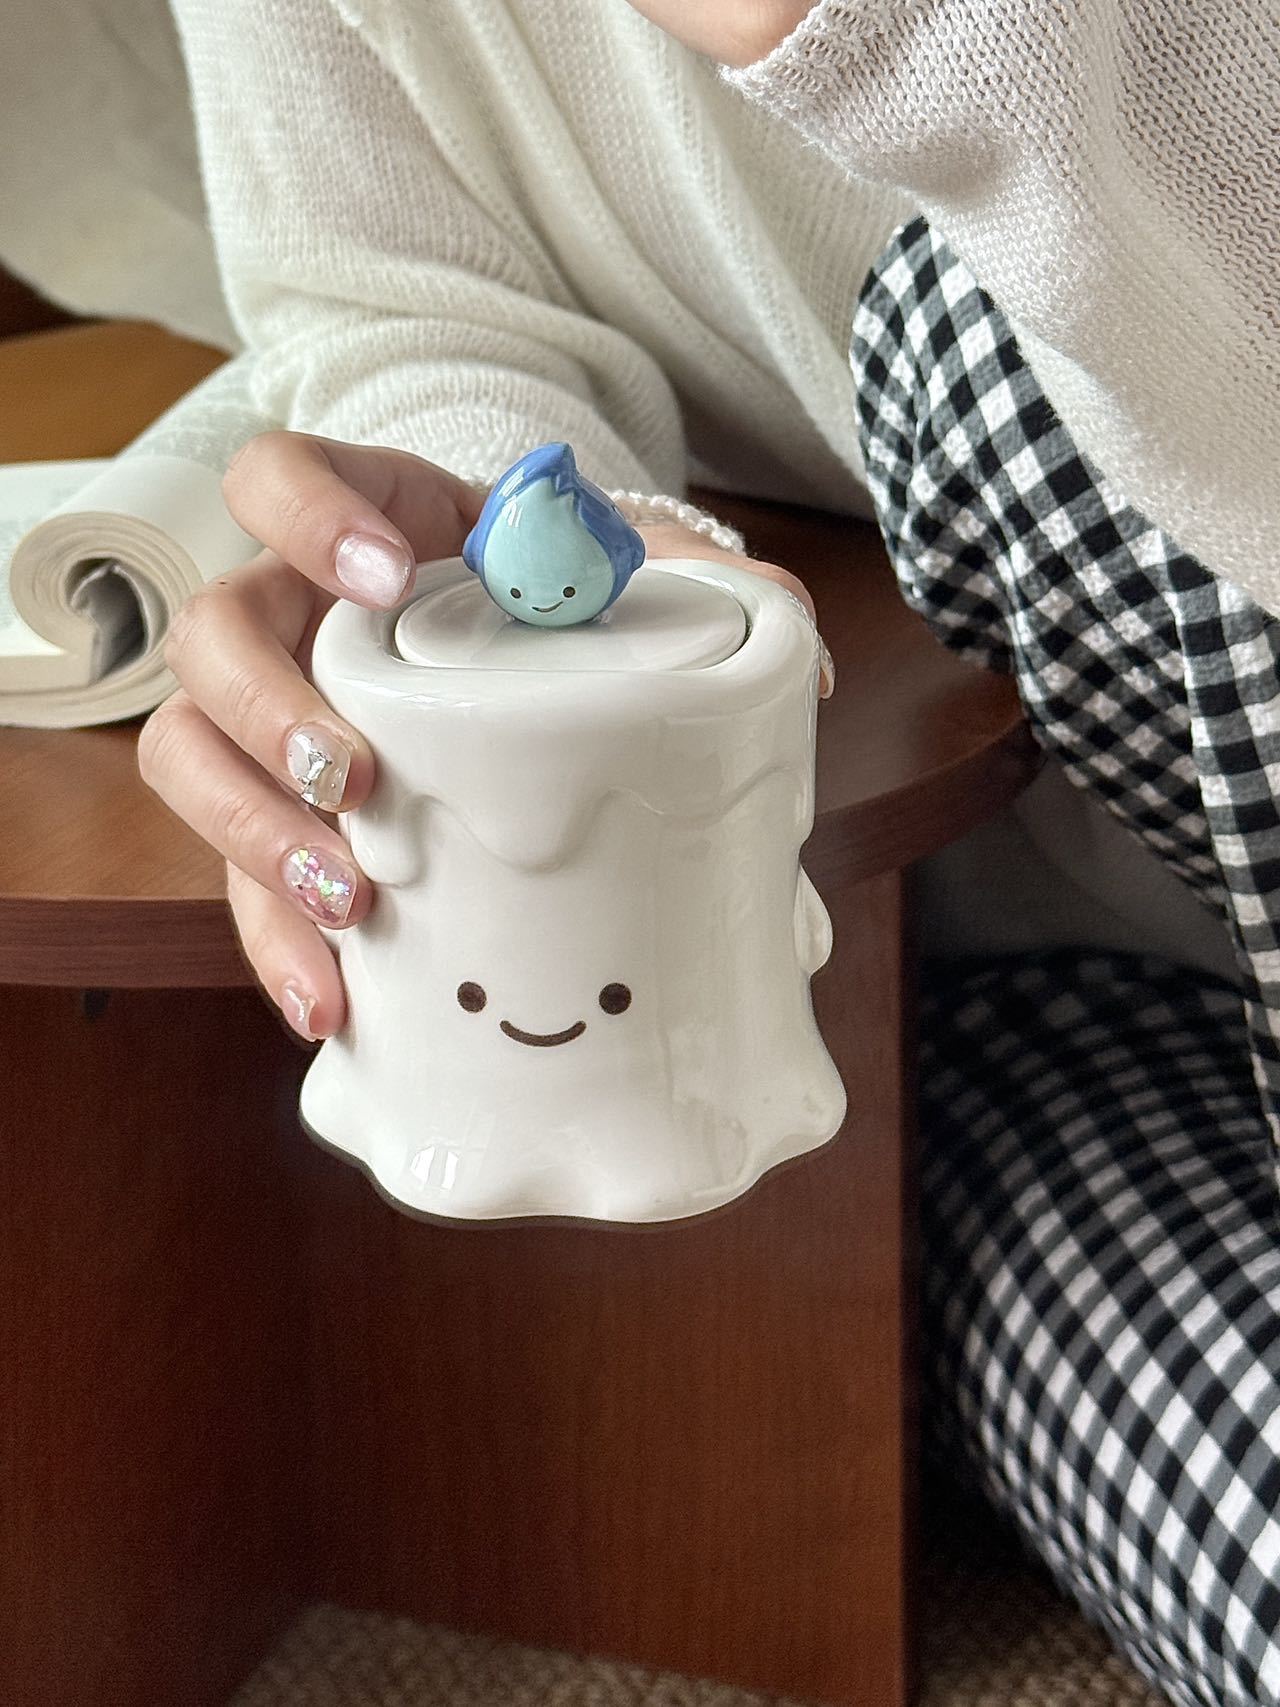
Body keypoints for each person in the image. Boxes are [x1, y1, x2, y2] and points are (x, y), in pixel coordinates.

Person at [118, 3, 1277, 1702]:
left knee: (989, 364)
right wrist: (498, 582)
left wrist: (892, 34)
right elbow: (402, 295)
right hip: (1041, 994)